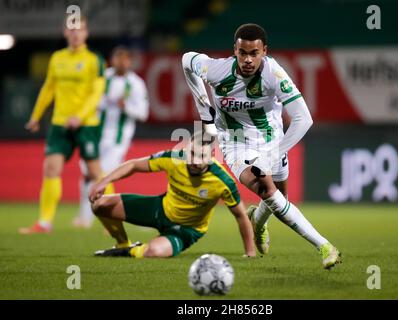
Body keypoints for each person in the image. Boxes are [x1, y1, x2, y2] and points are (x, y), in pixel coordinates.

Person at [182, 23, 341, 269]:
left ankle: (257, 221)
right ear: (234, 50)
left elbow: (303, 119)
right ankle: (325, 247)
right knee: (269, 192)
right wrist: (204, 112)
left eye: (253, 53)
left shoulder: (274, 75)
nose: (247, 59)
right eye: (242, 52)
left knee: (280, 198)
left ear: (264, 51)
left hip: (271, 140)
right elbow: (186, 59)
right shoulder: (216, 70)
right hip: (234, 141)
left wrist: (273, 155)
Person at [89, 134, 256, 258]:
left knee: (153, 252)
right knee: (99, 205)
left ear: (212, 155)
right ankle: (122, 242)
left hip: (187, 230)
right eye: (192, 153)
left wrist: (250, 252)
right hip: (160, 209)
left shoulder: (222, 181)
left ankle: (127, 251)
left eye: (202, 156)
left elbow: (241, 215)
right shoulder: (173, 158)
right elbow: (133, 165)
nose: (196, 161)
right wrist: (103, 182)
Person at [20, 15, 106, 234]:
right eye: (72, 29)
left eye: (80, 29)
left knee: (96, 172)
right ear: (65, 32)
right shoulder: (57, 58)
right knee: (50, 168)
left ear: (86, 33)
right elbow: (48, 88)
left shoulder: (95, 60)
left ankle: (111, 217)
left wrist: (80, 115)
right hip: (60, 123)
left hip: (86, 123)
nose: (76, 33)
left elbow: (97, 93)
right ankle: (44, 223)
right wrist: (36, 116)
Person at [74, 46, 150, 229]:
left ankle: (109, 217)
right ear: (112, 59)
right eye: (118, 58)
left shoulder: (136, 83)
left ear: (130, 62)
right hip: (94, 135)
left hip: (118, 139)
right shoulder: (102, 78)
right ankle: (85, 216)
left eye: (125, 59)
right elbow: (88, 100)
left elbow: (143, 113)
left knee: (103, 175)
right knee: (87, 174)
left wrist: (127, 107)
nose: (121, 62)